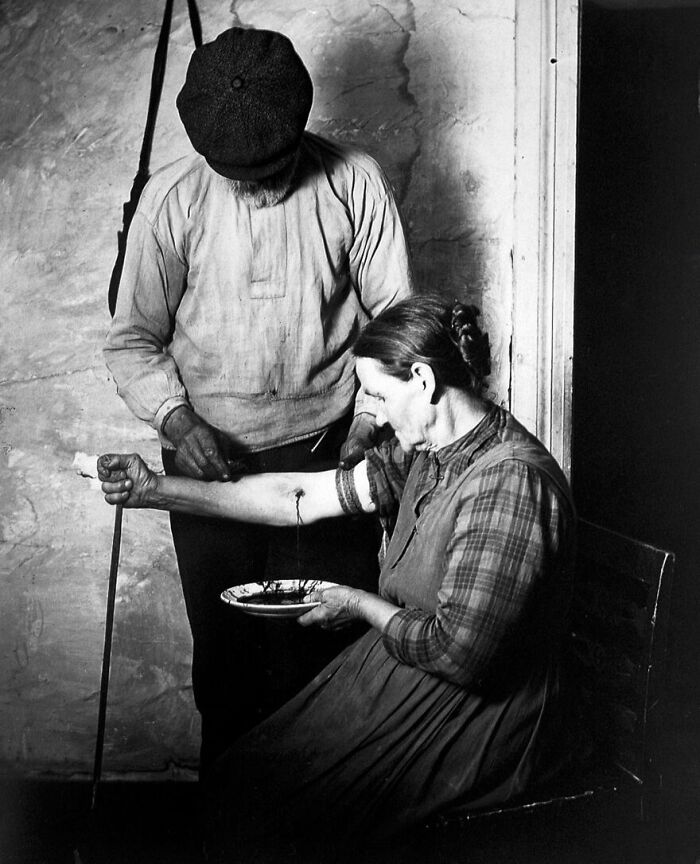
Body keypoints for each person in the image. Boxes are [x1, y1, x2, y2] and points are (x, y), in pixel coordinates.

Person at [99, 295, 577, 859]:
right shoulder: (428, 453)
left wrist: (354, 601)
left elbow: (461, 655)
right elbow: (296, 498)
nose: (369, 413)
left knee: (274, 811)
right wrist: (154, 489)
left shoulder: (510, 482)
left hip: (478, 721)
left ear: (422, 381)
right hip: (412, 682)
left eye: (375, 395)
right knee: (244, 774)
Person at [103, 26, 414, 766]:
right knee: (229, 670)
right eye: (239, 173)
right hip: (209, 468)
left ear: (300, 130)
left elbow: (396, 324)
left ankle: (331, 831)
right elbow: (132, 339)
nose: (261, 185)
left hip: (327, 457)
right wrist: (177, 419)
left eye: (271, 167)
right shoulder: (171, 201)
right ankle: (231, 829)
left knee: (328, 658)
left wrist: (369, 425)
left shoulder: (353, 181)